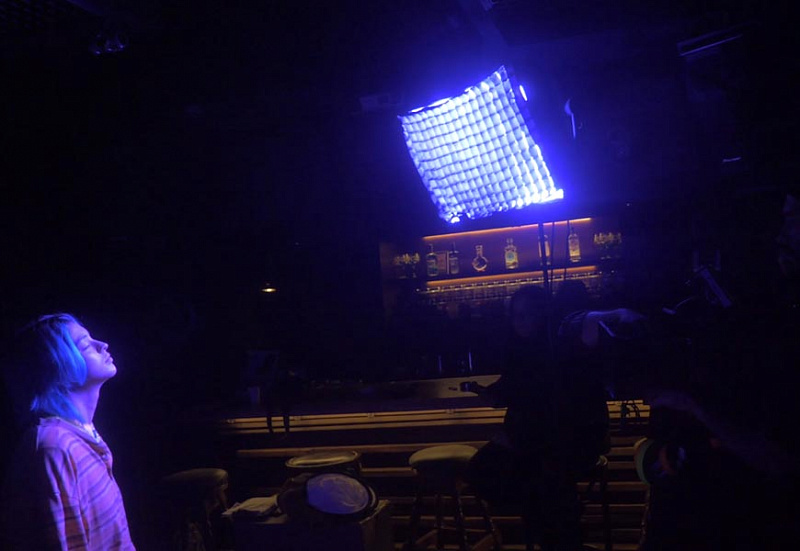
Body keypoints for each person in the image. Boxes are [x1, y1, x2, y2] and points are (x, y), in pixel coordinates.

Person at [463, 285, 645, 551]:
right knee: (493, 473)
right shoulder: (520, 350)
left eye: (526, 313)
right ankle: (556, 535)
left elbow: (587, 326)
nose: (519, 321)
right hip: (539, 444)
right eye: (515, 314)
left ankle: (554, 536)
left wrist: (617, 314)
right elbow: (515, 388)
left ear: (543, 312)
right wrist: (490, 396)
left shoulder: (560, 342)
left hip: (566, 443)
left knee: (539, 477)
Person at [0, 313, 135, 550]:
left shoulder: (82, 434)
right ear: (56, 364)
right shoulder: (53, 447)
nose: (102, 345)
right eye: (85, 344)